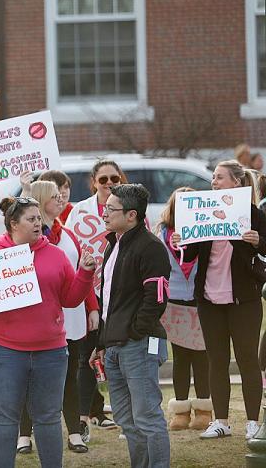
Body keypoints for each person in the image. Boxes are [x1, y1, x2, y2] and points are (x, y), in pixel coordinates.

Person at [0, 196, 95, 467]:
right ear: (12, 224)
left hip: (50, 351)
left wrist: (85, 273)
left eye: (39, 219)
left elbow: (70, 299)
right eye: (31, 219)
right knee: (4, 417)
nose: (38, 224)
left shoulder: (56, 255)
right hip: (2, 350)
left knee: (48, 417)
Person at [172, 160, 266, 440]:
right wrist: (182, 242)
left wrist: (256, 240)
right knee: (217, 360)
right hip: (209, 299)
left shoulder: (253, 214)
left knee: (247, 359)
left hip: (244, 299)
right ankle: (221, 421)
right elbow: (190, 257)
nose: (214, 182)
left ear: (236, 183)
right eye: (213, 178)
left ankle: (252, 422)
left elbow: (265, 246)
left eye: (220, 178)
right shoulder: (202, 213)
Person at [90, 184, 171, 466]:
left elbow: (157, 298)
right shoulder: (114, 244)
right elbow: (109, 301)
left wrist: (135, 331)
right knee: (126, 419)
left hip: (138, 344)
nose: (104, 213)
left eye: (110, 209)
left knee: (147, 416)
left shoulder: (150, 248)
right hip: (113, 346)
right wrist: (102, 343)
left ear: (131, 214)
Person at [17, 181, 100, 455]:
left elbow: (79, 272)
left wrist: (92, 307)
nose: (61, 199)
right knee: (30, 379)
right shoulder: (32, 240)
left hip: (71, 316)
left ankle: (75, 432)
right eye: (54, 196)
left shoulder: (67, 234)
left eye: (61, 194)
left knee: (70, 377)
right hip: (40, 318)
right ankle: (24, 435)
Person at [65, 160, 126, 438]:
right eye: (103, 179)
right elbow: (68, 250)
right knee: (85, 357)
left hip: (119, 294)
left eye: (114, 177)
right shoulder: (80, 211)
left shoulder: (130, 208)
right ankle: (83, 417)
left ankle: (123, 414)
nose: (109, 183)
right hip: (89, 292)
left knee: (118, 355)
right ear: (94, 182)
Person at [154, 187, 212, 431]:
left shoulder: (205, 232)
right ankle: (180, 410)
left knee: (201, 356)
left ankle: (204, 410)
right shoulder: (162, 235)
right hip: (175, 302)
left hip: (201, 300)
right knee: (180, 358)